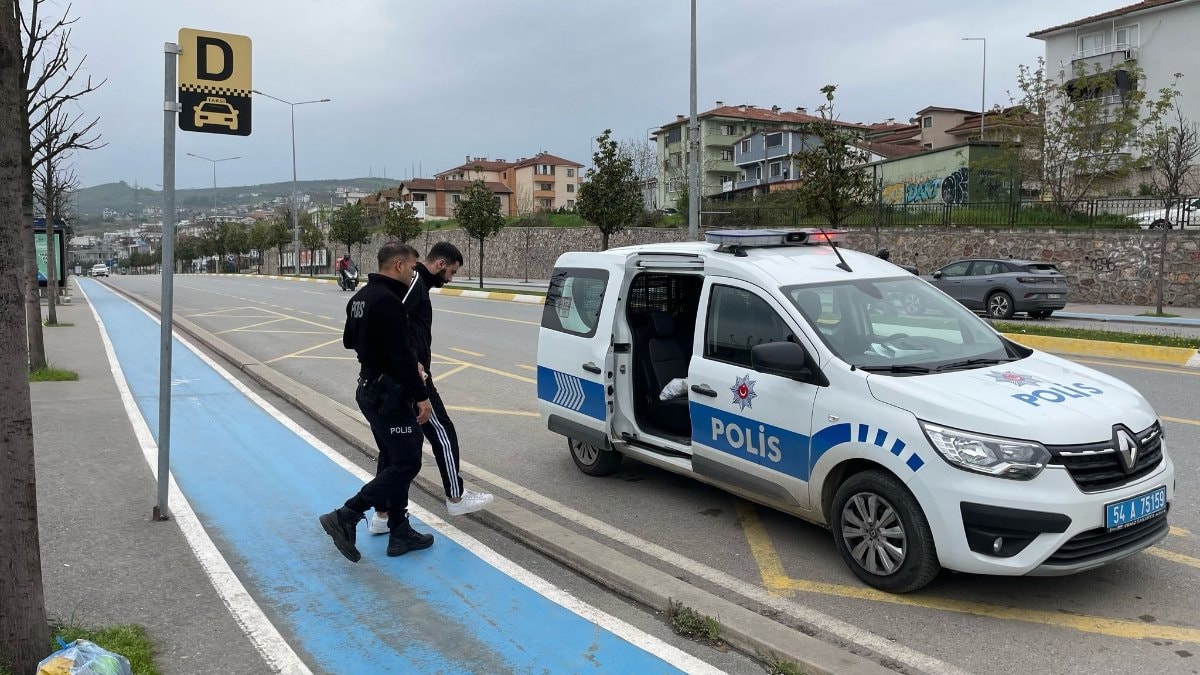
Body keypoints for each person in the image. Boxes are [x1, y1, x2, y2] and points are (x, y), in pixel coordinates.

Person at [368, 241, 494, 535]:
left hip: (399, 376)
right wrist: (413, 363)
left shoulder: (416, 284)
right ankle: (456, 497)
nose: (450, 278)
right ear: (440, 264)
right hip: (413, 377)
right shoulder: (416, 283)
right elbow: (391, 317)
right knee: (442, 432)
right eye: (451, 272)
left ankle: (382, 516)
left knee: (393, 449)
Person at [320, 242, 434, 562]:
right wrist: (421, 396)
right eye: (412, 268)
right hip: (389, 395)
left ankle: (399, 530)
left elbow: (348, 340)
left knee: (392, 457)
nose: (413, 274)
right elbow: (402, 357)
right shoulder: (388, 301)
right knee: (407, 462)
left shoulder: (360, 297)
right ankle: (347, 515)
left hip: (369, 388)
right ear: (398, 265)